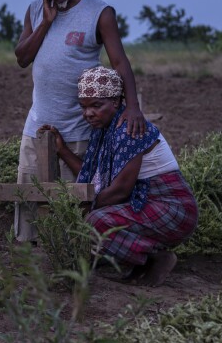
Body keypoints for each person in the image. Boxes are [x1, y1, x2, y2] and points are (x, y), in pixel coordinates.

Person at [14, 0, 145, 242]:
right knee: (29, 200)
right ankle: (29, 262)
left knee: (78, 203)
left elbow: (120, 63)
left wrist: (132, 106)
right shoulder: (36, 10)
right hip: (37, 126)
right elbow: (22, 57)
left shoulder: (99, 13)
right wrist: (46, 22)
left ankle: (74, 260)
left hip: (79, 129)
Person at [41, 66, 198, 287]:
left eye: (96, 105)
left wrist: (80, 212)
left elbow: (120, 190)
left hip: (173, 208)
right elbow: (94, 180)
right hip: (148, 205)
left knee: (96, 221)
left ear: (115, 102)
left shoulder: (129, 129)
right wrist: (64, 151)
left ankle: (156, 258)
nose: (88, 114)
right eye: (83, 107)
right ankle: (144, 261)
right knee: (94, 219)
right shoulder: (105, 130)